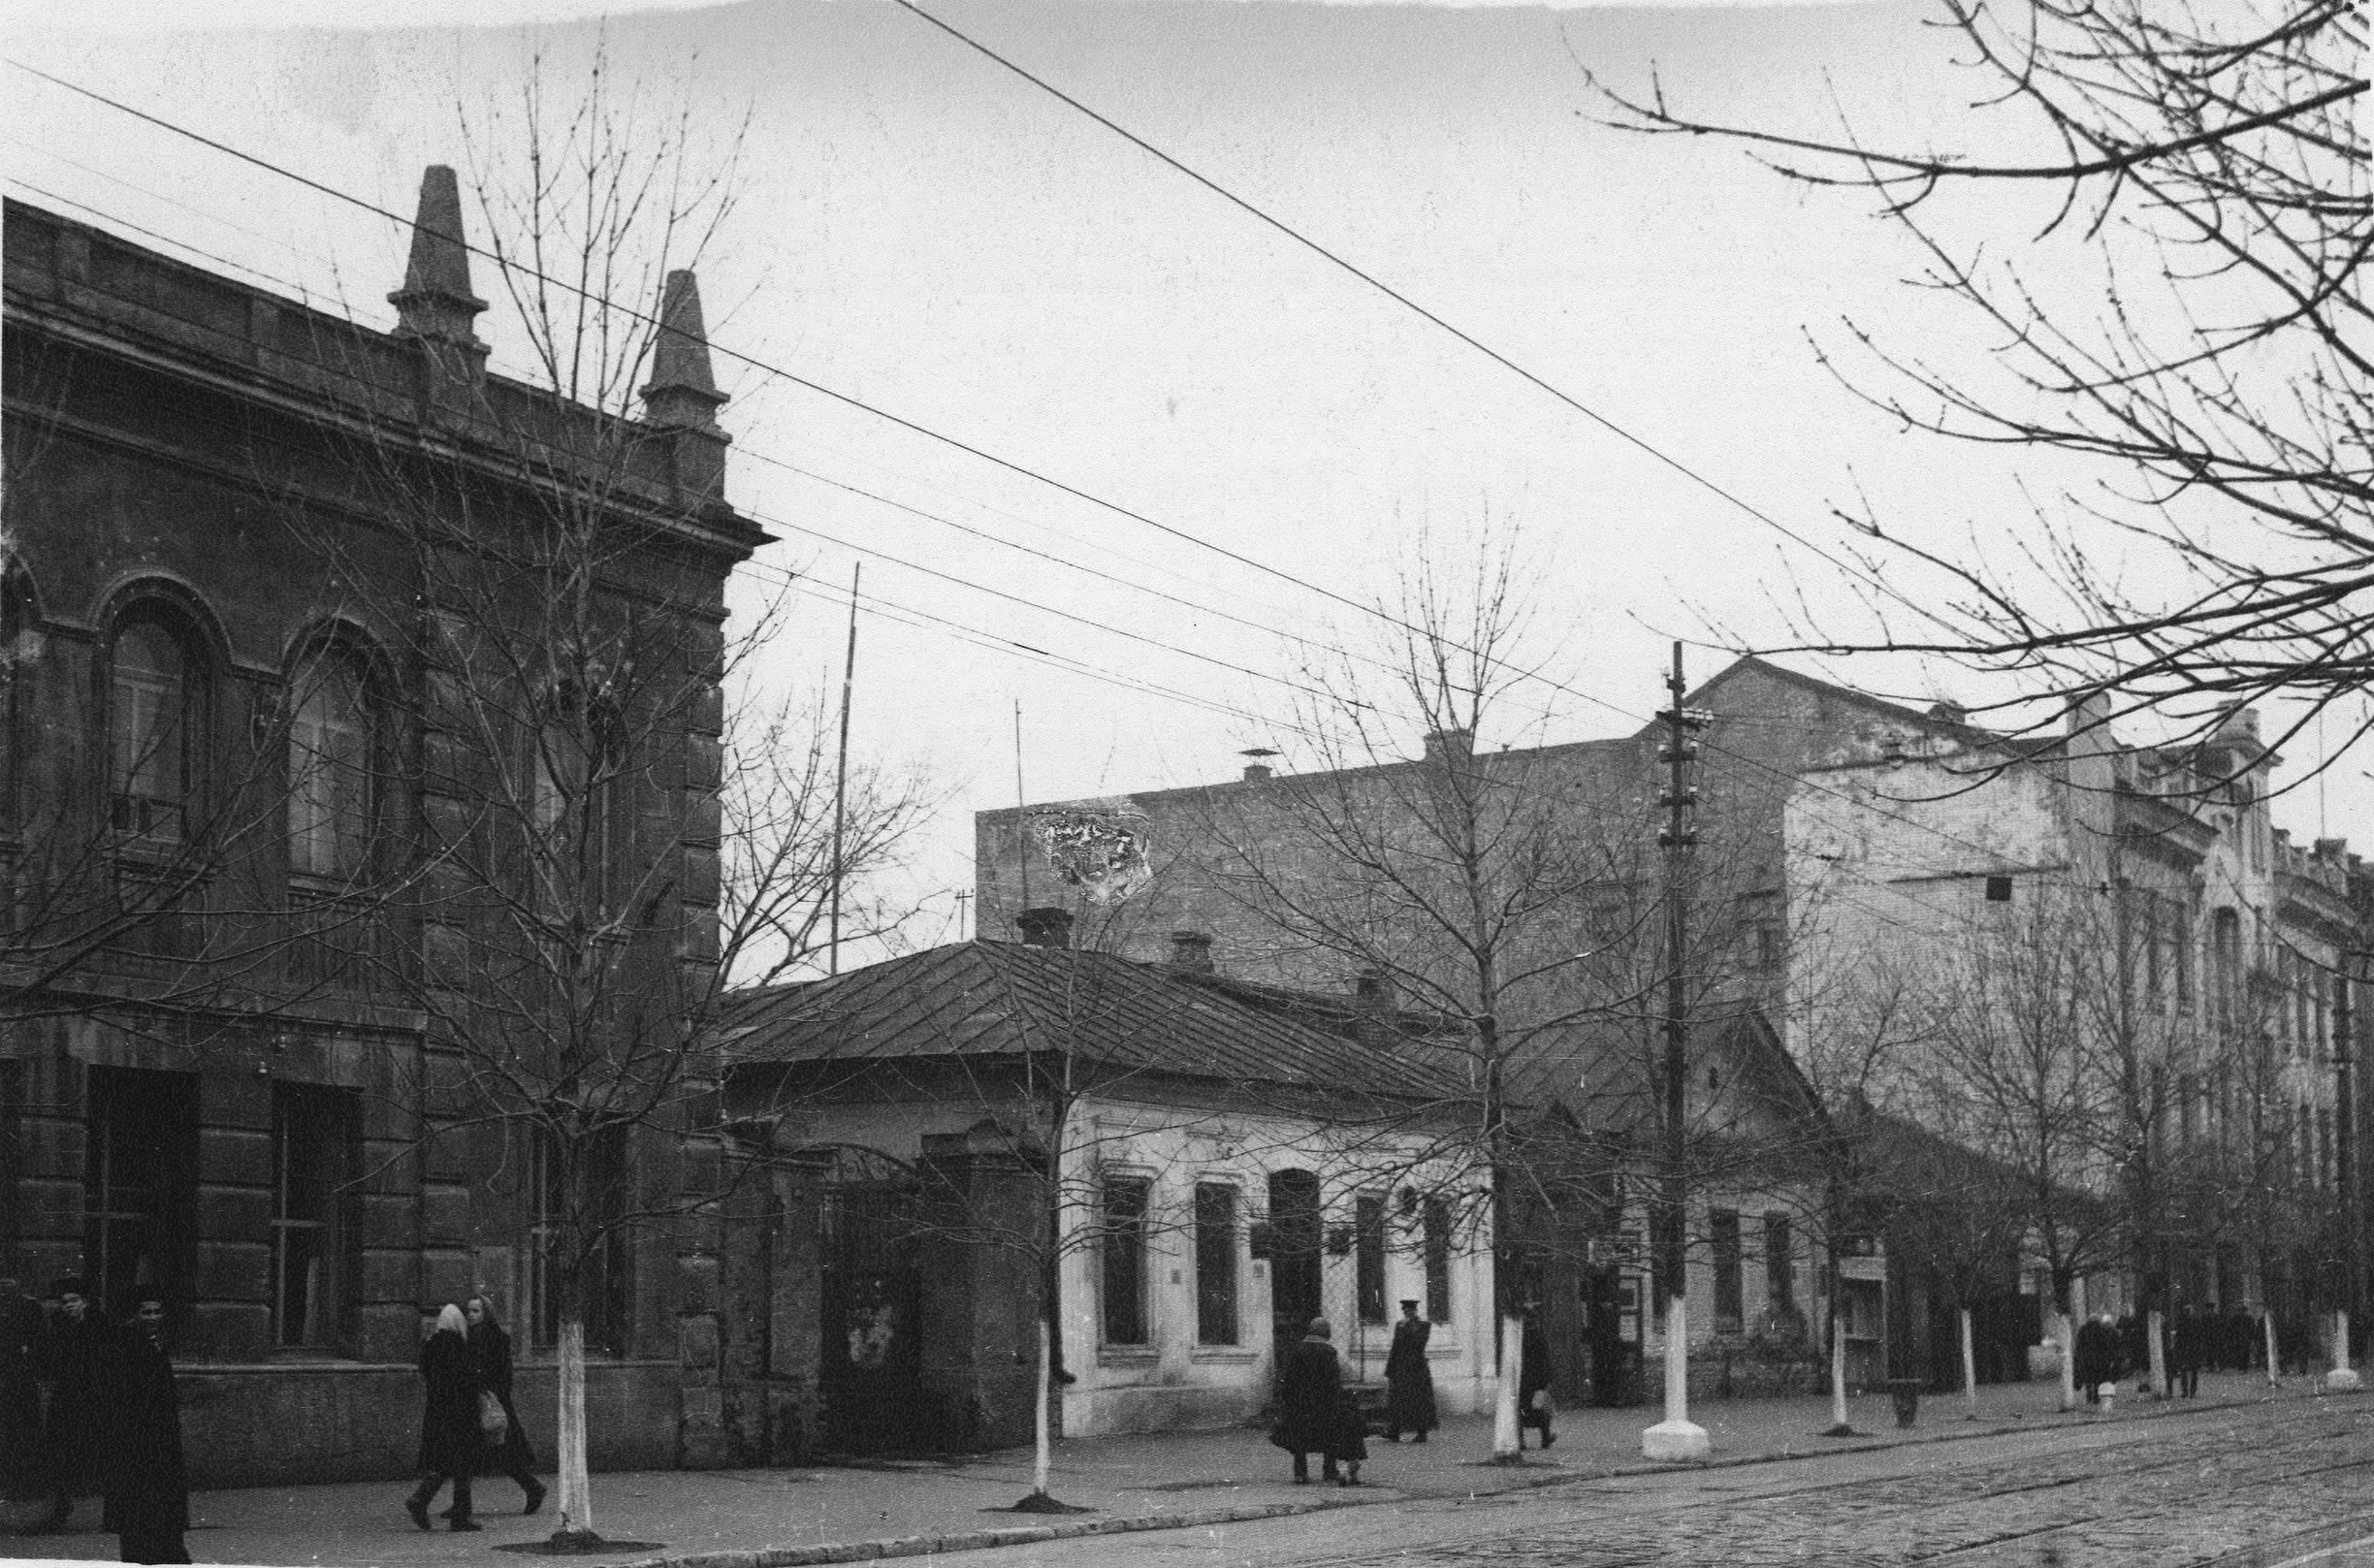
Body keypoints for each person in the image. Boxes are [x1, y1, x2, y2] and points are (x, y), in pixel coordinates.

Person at [102, 1293, 189, 1565]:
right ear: (135, 1315)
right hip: (137, 1434)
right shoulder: (125, 1340)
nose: (152, 1318)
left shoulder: (154, 1341)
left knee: (161, 1496)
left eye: (156, 1312)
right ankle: (147, 1553)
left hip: (159, 1432)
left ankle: (165, 1550)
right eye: (146, 1313)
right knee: (141, 1497)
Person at [465, 1296, 545, 1516]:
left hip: (490, 1403)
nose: (470, 1315)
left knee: (501, 1454)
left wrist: (489, 1393)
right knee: (473, 1454)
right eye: (468, 1311)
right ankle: (461, 1503)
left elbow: (503, 1374)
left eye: (475, 1311)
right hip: (481, 1402)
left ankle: (533, 1488)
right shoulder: (472, 1336)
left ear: (486, 1313)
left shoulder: (492, 1337)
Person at [39, 1275, 108, 1531]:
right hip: (66, 1397)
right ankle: (60, 1506)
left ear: (85, 1302)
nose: (68, 1306)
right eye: (64, 1302)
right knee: (57, 1452)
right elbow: (50, 1357)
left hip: (94, 1397)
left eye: (74, 1301)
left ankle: (115, 1513)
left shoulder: (99, 1323)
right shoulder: (57, 1324)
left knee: (101, 1453)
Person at [405, 1304, 482, 1531]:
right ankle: (454, 1514)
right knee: (462, 1464)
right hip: (459, 1414)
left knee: (446, 1462)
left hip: (437, 1413)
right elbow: (465, 1381)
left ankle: (425, 1501)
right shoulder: (457, 1345)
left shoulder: (431, 1344)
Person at [1271, 1317, 1347, 1485]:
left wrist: (1286, 1399)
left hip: (1300, 1402)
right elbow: (1334, 1379)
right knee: (1329, 1435)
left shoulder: (1297, 1350)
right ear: (1326, 1332)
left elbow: (1289, 1378)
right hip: (1323, 1402)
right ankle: (1329, 1472)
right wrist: (1337, 1398)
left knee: (1299, 1437)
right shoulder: (1328, 1352)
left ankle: (1300, 1473)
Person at [1382, 1298, 1436, 1443]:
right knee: (1397, 1400)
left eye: (1410, 1311)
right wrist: (1389, 1370)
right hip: (1401, 1368)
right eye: (1405, 1311)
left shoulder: (1424, 1326)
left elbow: (1419, 1344)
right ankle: (1394, 1431)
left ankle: (1421, 1432)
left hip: (1417, 1369)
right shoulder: (1399, 1325)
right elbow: (1395, 1348)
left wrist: (1410, 1328)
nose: (1407, 1313)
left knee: (1419, 1401)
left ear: (1415, 1311)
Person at [1519, 1305, 1555, 1449]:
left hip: (1522, 1378)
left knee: (1520, 1409)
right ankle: (1545, 1438)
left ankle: (1520, 1440)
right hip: (1537, 1378)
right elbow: (1545, 1359)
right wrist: (1548, 1379)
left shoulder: (1517, 1336)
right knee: (1541, 1408)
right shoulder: (1538, 1335)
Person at [2170, 1304, 2202, 1398]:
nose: (2188, 1313)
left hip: (2191, 1350)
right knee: (2187, 1371)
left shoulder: (2192, 1323)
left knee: (2191, 1371)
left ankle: (2190, 1391)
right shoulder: (2185, 1323)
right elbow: (2178, 1338)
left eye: (2189, 1311)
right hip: (2188, 1350)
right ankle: (2187, 1391)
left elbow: (2200, 1337)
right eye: (2187, 1312)